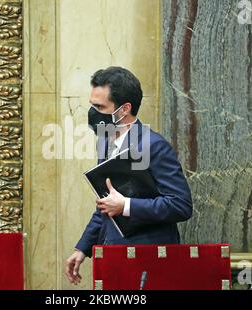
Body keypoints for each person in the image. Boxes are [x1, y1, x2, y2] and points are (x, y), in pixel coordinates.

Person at [65, 66, 193, 285]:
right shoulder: (105, 142)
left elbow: (181, 205)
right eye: (92, 105)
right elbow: (106, 204)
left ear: (124, 109)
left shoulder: (155, 146)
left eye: (99, 107)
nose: (93, 112)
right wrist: (82, 248)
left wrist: (126, 205)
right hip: (113, 257)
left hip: (148, 261)